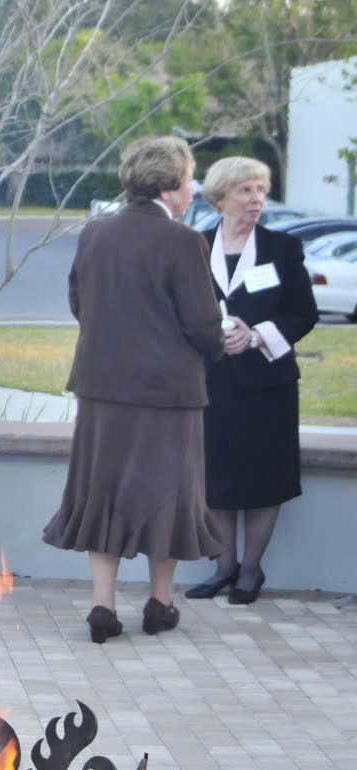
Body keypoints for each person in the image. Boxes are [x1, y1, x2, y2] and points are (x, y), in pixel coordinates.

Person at [42, 136, 227, 643]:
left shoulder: (95, 234)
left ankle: (102, 606)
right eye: (190, 180)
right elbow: (203, 324)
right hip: (167, 393)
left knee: (102, 491)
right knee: (168, 494)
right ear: (170, 187)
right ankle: (159, 604)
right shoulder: (185, 243)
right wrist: (219, 344)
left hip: (102, 388)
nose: (193, 190)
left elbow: (81, 302)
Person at [184, 157, 319, 606]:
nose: (256, 199)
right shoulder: (195, 246)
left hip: (268, 387)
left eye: (260, 190)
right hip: (212, 383)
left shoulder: (282, 248)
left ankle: (250, 571)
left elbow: (304, 313)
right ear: (221, 197)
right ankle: (223, 567)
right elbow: (179, 311)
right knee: (217, 479)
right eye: (245, 190)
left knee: (264, 478)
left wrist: (257, 334)